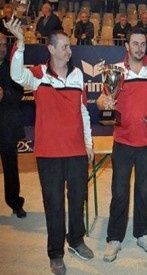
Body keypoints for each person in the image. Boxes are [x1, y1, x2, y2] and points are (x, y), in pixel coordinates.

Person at [8, 20, 94, 275]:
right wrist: (20, 43)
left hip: (77, 151)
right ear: (52, 50)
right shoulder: (37, 75)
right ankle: (55, 253)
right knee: (54, 204)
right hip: (49, 155)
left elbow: (83, 112)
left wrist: (88, 143)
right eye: (65, 47)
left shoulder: (78, 75)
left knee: (78, 200)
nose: (70, 51)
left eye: (69, 47)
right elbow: (15, 74)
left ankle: (76, 240)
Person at [97, 27, 147, 262]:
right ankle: (114, 239)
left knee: (145, 190)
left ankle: (142, 233)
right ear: (127, 46)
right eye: (135, 44)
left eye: (142, 44)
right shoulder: (116, 71)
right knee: (119, 192)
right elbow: (101, 100)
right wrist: (104, 101)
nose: (139, 48)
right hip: (123, 142)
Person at [0, 32, 26, 218]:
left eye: (4, 44)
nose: (2, 48)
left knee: (10, 168)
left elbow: (19, 93)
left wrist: (4, 95)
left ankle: (15, 203)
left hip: (7, 127)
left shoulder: (12, 68)